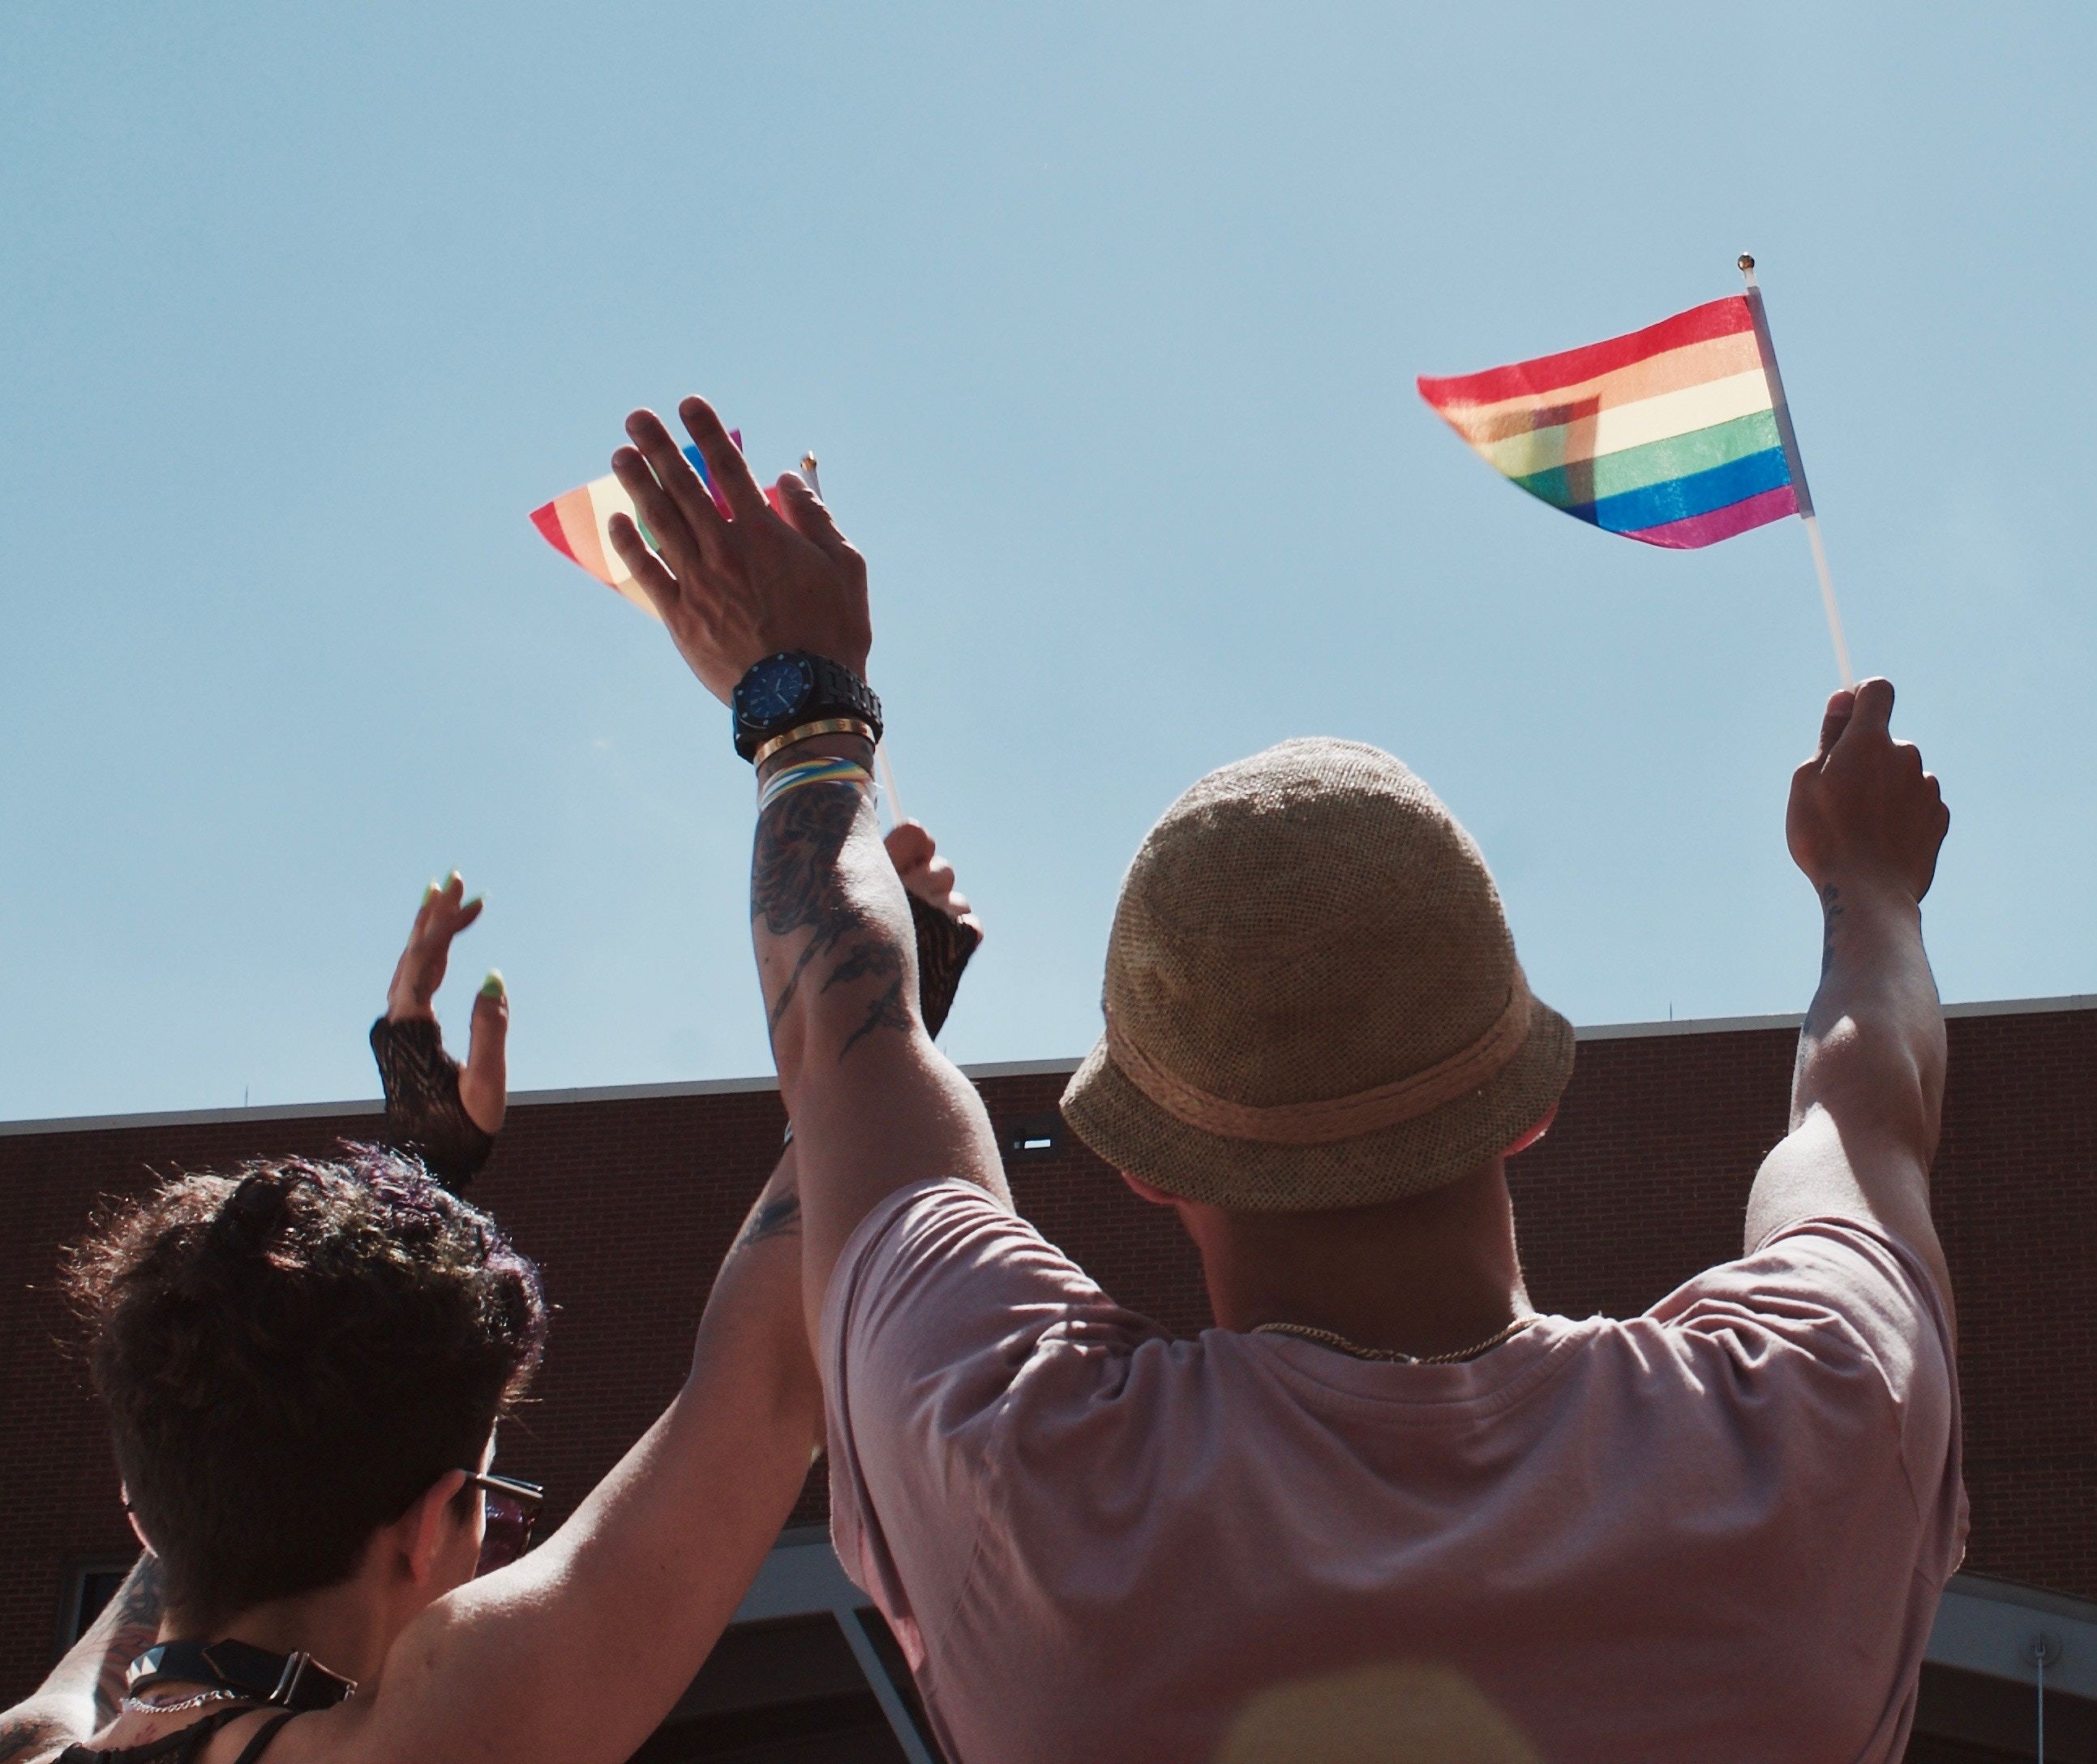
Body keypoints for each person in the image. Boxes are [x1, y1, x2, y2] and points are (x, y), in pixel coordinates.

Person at [604, 393, 1964, 1763]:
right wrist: (1870, 886)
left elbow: (858, 1055)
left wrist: (804, 711)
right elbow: (1867, 1108)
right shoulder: (1806, 1430)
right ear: (1531, 1103)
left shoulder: (1027, 1472)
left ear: (1145, 1164)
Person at [1, 838, 980, 1764]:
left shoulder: (34, 1737)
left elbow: (219, 1489)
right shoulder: (443, 1734)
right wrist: (891, 1015)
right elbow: (768, 1371)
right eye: (492, 1510)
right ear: (431, 1526)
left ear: (139, 1513)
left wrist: (414, 1197)